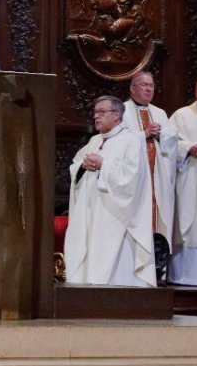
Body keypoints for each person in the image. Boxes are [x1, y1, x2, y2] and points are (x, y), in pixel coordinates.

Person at [64, 95, 154, 287]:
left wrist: (103, 165)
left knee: (113, 258)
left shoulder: (131, 141)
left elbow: (132, 177)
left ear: (117, 115)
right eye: (95, 112)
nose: (96, 116)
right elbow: (76, 166)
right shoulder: (95, 140)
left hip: (115, 213)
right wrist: (83, 166)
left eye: (102, 112)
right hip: (91, 208)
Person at [121, 72, 179, 243]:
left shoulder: (159, 113)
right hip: (135, 178)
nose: (148, 89)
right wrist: (144, 134)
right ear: (132, 89)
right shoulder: (122, 111)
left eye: (151, 85)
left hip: (158, 178)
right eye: (144, 85)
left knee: (158, 218)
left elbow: (173, 139)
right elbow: (119, 141)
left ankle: (157, 260)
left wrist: (161, 135)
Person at [170, 76, 197, 286]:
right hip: (190, 176)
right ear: (195, 91)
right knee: (191, 221)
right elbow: (169, 142)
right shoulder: (181, 115)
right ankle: (184, 276)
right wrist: (188, 147)